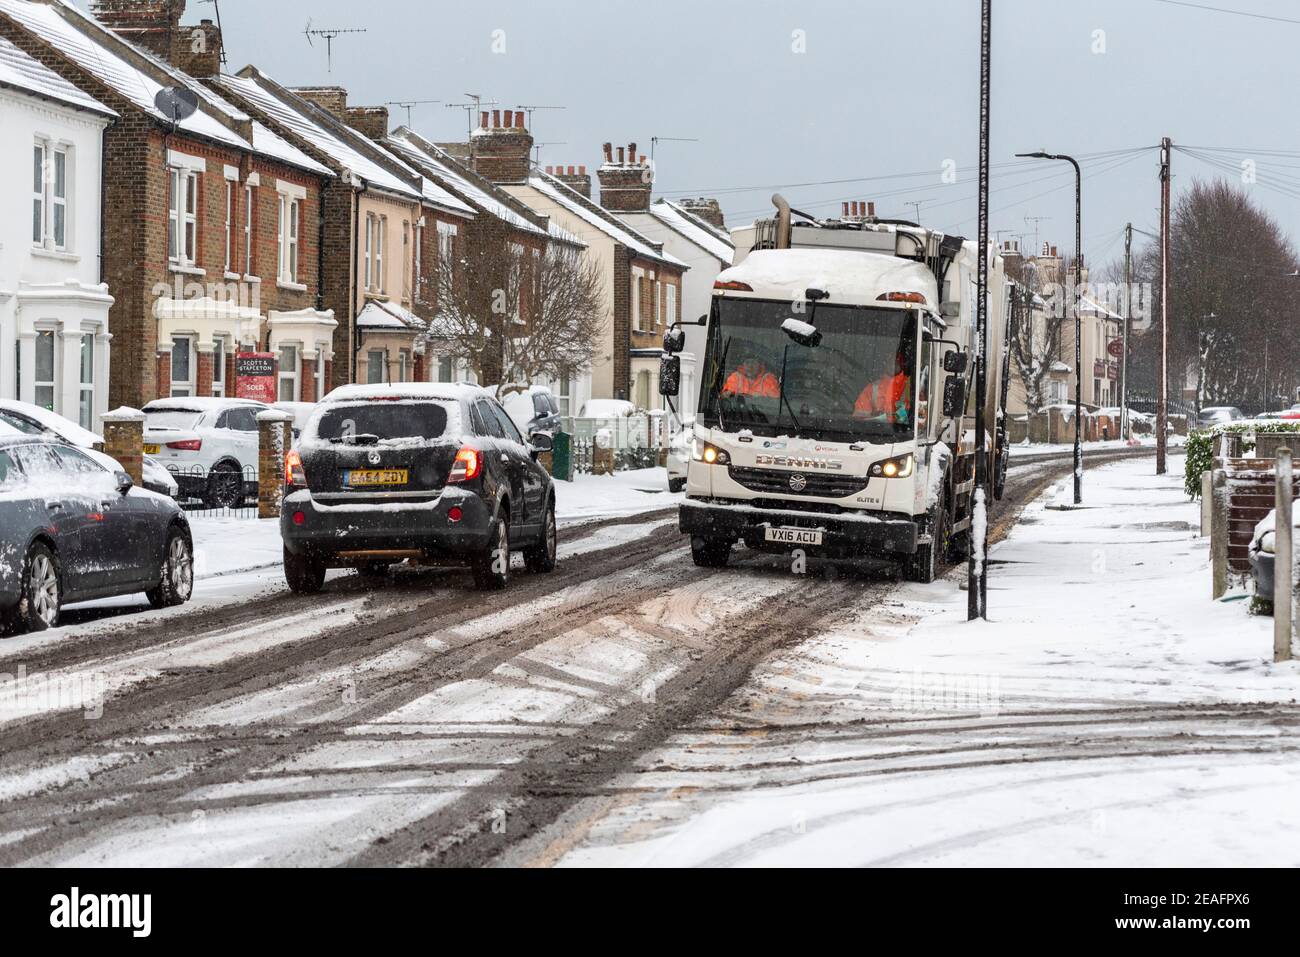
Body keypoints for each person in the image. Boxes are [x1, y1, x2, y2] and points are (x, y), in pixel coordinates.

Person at [855, 351, 912, 421]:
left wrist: (900, 416)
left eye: (897, 360)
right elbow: (858, 421)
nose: (893, 363)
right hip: (876, 431)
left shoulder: (911, 385)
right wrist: (875, 418)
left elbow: (920, 418)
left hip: (904, 431)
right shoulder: (872, 388)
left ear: (902, 363)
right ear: (885, 363)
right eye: (890, 360)